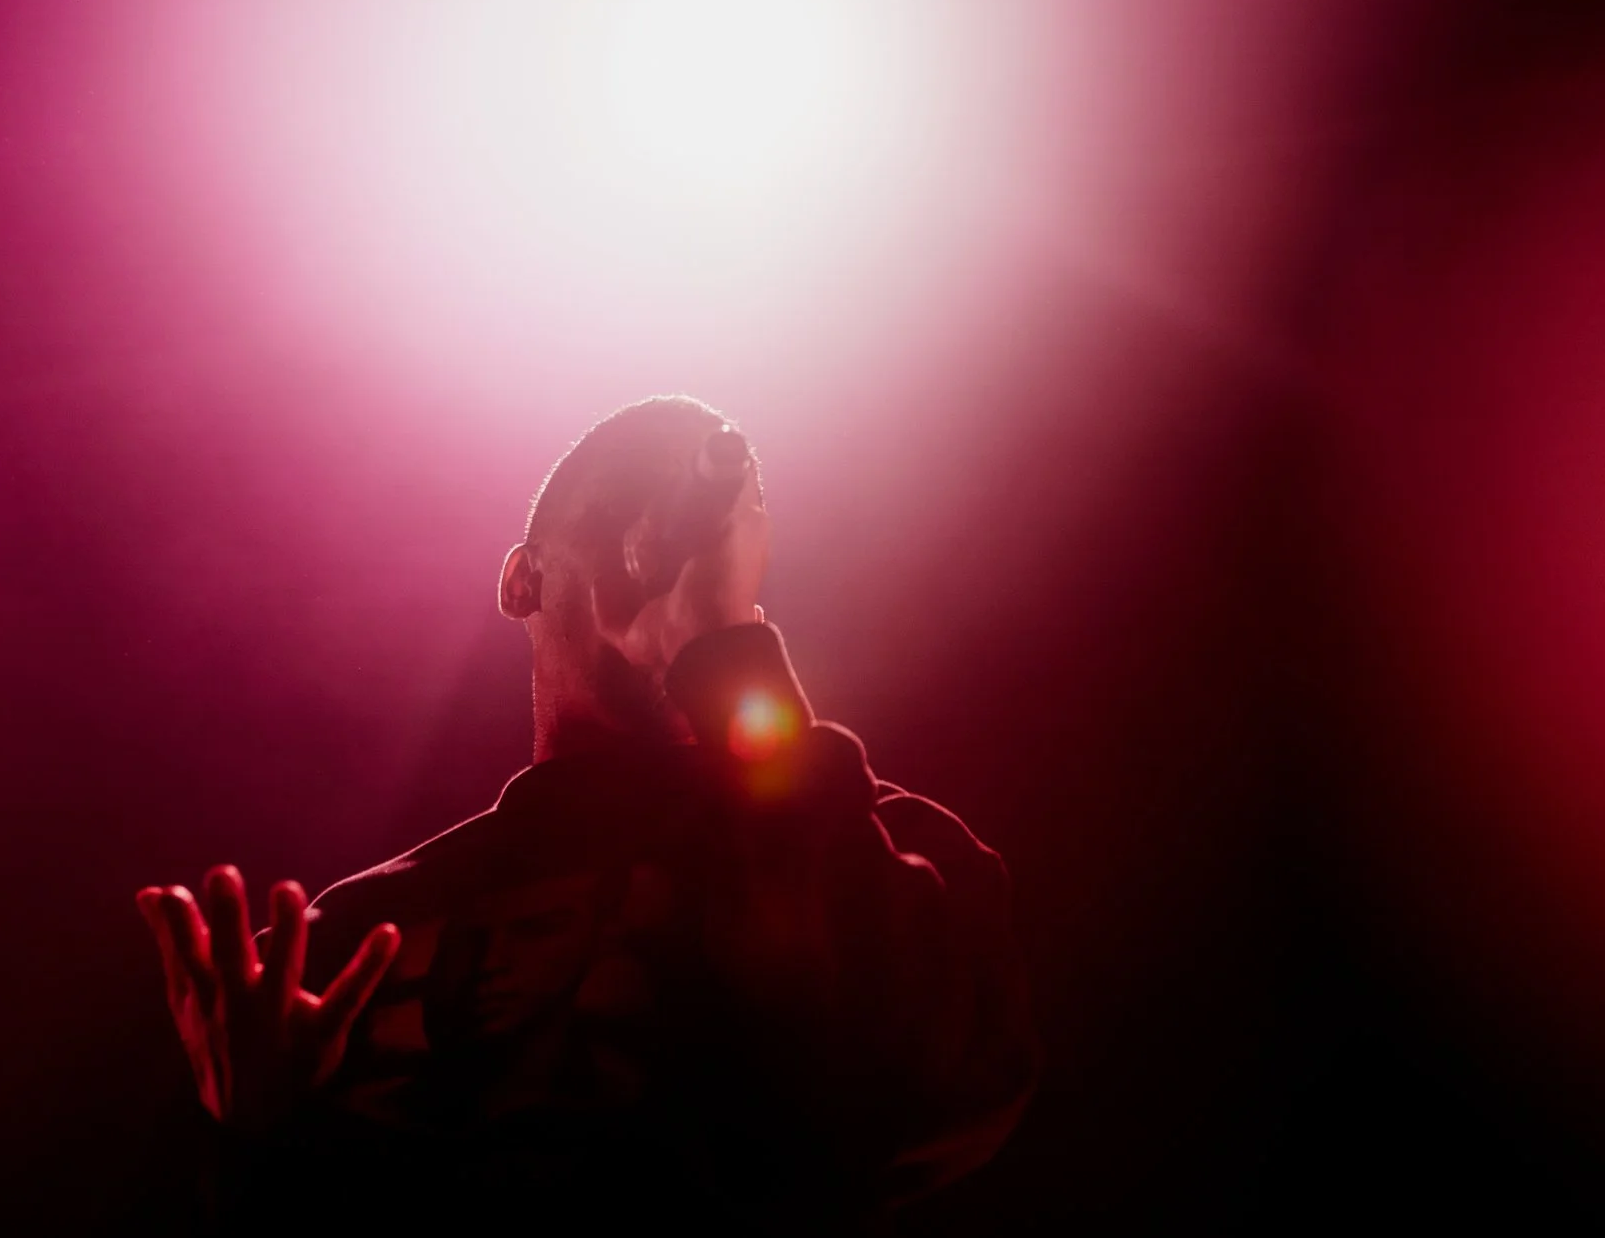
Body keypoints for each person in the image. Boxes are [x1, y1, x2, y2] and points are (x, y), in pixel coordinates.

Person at [135, 395, 1035, 1232]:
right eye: (623, 516)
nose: (663, 552)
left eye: (704, 533)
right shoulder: (353, 933)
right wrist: (253, 1139)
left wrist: (726, 659)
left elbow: (907, 1079)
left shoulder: (890, 847)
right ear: (523, 581)